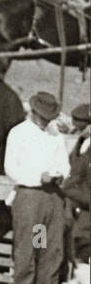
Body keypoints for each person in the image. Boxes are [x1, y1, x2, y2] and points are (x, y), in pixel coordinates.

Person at [4, 91, 70, 284]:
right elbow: (11, 167)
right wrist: (36, 176)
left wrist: (61, 174)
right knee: (27, 246)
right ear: (33, 113)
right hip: (30, 196)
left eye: (48, 118)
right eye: (42, 118)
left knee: (48, 247)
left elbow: (64, 163)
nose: (46, 122)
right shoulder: (19, 133)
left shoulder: (55, 135)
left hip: (51, 197)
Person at [60, 103, 91, 267]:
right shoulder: (81, 142)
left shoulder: (83, 143)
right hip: (51, 204)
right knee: (41, 244)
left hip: (76, 209)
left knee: (74, 252)